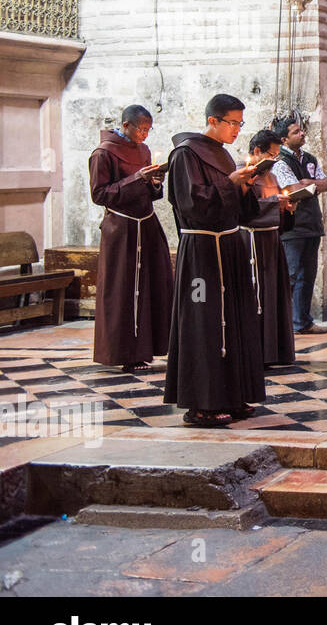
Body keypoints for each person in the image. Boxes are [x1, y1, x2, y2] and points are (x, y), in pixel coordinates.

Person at [163, 94, 264, 427]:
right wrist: (229, 183)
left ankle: (232, 395)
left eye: (240, 124)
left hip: (229, 249)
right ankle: (201, 403)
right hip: (201, 257)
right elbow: (191, 204)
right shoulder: (185, 155)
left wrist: (246, 188)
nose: (237, 130)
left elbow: (234, 205)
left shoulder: (223, 154)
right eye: (233, 123)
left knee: (234, 321)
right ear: (213, 121)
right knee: (201, 320)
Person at [88, 104, 173, 371]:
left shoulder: (144, 150)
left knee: (152, 286)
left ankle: (147, 349)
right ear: (126, 125)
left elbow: (148, 190)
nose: (145, 135)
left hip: (146, 224)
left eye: (149, 129)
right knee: (122, 289)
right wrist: (137, 178)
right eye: (142, 129)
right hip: (121, 229)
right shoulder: (103, 153)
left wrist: (155, 182)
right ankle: (123, 353)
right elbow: (99, 194)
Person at [271, 114, 327, 334]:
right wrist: (308, 186)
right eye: (296, 132)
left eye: (301, 130)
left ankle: (302, 321)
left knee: (308, 275)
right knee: (291, 275)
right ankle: (283, 322)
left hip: (312, 223)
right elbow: (293, 190)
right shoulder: (280, 162)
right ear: (284, 140)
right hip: (293, 226)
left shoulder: (310, 159)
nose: (302, 133)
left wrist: (309, 183)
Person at [243, 130, 297, 368]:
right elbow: (242, 208)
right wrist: (273, 204)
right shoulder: (242, 172)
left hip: (271, 242)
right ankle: (256, 352)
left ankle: (274, 351)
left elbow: (274, 206)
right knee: (256, 297)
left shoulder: (271, 175)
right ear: (257, 152)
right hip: (251, 244)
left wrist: (287, 209)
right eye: (272, 155)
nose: (275, 160)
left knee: (274, 296)